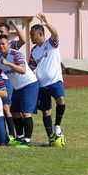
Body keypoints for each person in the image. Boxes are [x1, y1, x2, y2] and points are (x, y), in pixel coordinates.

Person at [0, 33, 37, 146]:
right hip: (17, 87)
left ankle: (27, 140)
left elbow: (22, 70)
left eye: (3, 43)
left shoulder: (16, 54)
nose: (1, 46)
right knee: (15, 112)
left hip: (29, 84)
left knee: (26, 112)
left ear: (8, 44)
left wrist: (8, 63)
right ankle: (20, 136)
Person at [29, 13, 66, 145]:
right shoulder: (33, 51)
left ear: (40, 34)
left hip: (55, 80)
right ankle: (51, 139)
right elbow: (30, 67)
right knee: (46, 112)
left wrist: (47, 24)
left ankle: (57, 126)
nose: (31, 37)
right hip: (42, 84)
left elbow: (55, 34)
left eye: (32, 34)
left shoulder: (50, 43)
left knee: (61, 100)